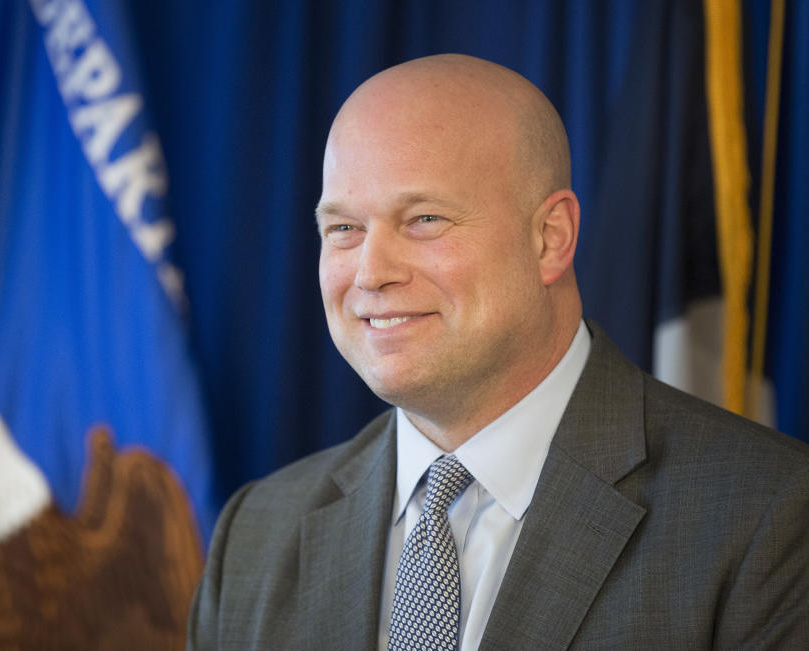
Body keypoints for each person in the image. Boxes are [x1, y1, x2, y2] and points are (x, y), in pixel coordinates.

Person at [187, 54, 809, 650]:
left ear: (550, 237)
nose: (370, 273)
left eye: (424, 219)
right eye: (344, 228)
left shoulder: (769, 516)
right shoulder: (255, 536)